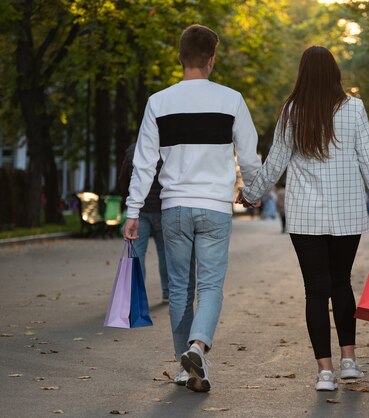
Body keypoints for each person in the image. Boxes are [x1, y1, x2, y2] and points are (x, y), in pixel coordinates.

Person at [237, 46, 369, 392]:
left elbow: (275, 164)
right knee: (341, 283)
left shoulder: (293, 111)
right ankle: (350, 361)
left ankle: (325, 372)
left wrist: (250, 194)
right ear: (335, 73)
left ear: (303, 74)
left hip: (305, 216)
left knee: (315, 291)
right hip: (347, 215)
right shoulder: (354, 109)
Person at [123, 24, 261, 392]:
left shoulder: (159, 101)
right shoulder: (231, 100)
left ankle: (185, 366)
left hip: (175, 208)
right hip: (215, 208)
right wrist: (254, 190)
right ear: (212, 59)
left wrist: (133, 210)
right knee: (211, 284)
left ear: (181, 58)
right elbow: (248, 156)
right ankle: (198, 346)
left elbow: (143, 163)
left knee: (181, 288)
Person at [119, 143, 169, 303]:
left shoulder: (133, 150)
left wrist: (129, 201)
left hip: (139, 211)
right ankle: (168, 292)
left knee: (137, 253)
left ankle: (136, 295)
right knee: (165, 254)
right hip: (163, 210)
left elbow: (124, 179)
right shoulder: (169, 149)